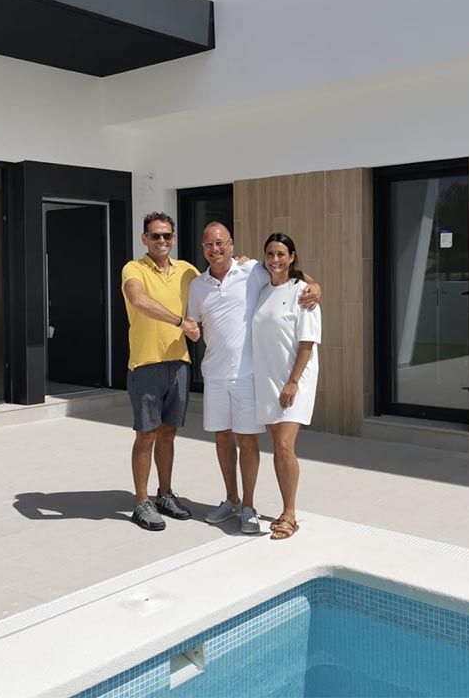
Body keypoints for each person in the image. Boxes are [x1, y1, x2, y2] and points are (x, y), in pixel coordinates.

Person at [187, 222, 320, 534]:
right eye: (209, 244)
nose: (215, 249)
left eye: (220, 242)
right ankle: (231, 500)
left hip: (249, 376)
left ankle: (248, 506)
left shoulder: (252, 271)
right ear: (203, 248)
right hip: (215, 375)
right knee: (222, 439)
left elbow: (289, 272)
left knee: (249, 441)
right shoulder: (197, 285)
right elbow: (194, 322)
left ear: (231, 243)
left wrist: (316, 287)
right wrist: (190, 329)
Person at [121, 212, 201, 531]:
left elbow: (220, 281)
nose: (162, 241)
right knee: (147, 434)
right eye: (155, 236)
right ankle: (141, 502)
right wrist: (181, 322)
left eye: (167, 235)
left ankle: (164, 494)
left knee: (168, 433)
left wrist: (244, 265)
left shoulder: (187, 271)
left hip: (179, 363)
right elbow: (138, 299)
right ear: (145, 239)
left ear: (174, 238)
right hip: (146, 365)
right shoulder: (134, 268)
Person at [252, 233, 321, 540]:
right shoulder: (262, 289)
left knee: (284, 445)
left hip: (295, 380)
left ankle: (290, 514)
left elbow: (307, 342)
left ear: (292, 256)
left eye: (281, 254)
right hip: (267, 379)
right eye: (270, 253)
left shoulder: (303, 293)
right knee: (278, 449)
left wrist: (292, 382)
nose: (275, 259)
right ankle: (285, 508)